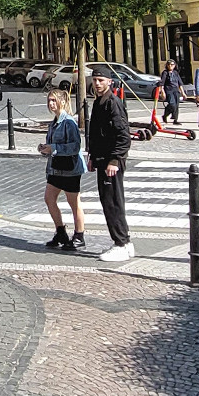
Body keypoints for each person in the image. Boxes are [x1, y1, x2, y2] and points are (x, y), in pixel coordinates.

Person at [86, 72, 135, 262]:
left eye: (101, 80)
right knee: (111, 201)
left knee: (112, 202)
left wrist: (114, 160)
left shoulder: (112, 102)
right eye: (95, 80)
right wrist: (93, 157)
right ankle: (125, 241)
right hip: (103, 159)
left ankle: (120, 243)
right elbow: (97, 133)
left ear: (109, 82)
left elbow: (123, 135)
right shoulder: (99, 101)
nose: (97, 84)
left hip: (111, 162)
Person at [38, 89, 87, 251]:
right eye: (49, 101)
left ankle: (79, 235)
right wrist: (45, 148)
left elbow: (75, 146)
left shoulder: (68, 122)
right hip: (56, 168)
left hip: (70, 168)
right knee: (49, 198)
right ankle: (60, 232)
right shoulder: (54, 122)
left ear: (63, 102)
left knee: (74, 202)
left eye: (54, 100)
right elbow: (53, 146)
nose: (51, 104)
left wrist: (54, 148)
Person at [157, 60, 184, 124]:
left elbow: (180, 83)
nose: (170, 66)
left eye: (172, 64)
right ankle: (165, 115)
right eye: (168, 64)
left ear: (174, 65)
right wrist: (162, 92)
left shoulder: (175, 73)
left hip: (176, 90)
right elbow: (162, 83)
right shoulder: (165, 73)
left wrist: (183, 93)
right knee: (172, 104)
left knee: (176, 105)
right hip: (169, 90)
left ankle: (175, 120)